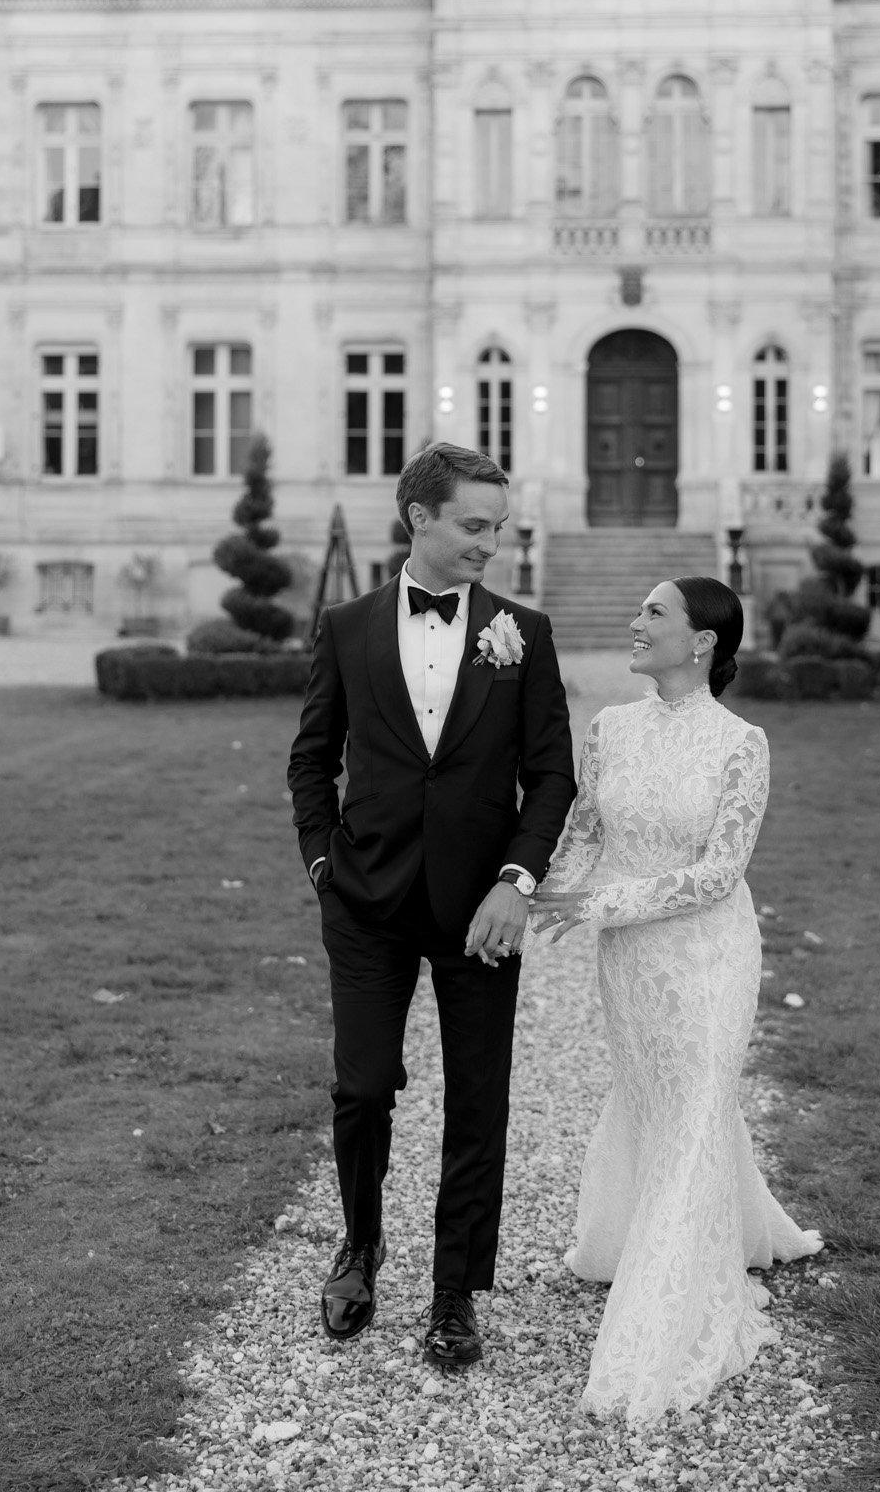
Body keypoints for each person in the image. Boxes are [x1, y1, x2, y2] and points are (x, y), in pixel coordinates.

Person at [288, 443, 576, 1369]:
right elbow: (310, 758)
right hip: (365, 901)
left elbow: (551, 776)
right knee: (363, 1085)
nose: (492, 543)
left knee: (476, 1099)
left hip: (479, 910)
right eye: (474, 526)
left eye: (499, 526)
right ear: (419, 518)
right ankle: (359, 1247)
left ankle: (455, 1291)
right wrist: (322, 863)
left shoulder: (521, 631)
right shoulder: (345, 624)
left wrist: (516, 883)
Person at [530, 576, 821, 1423]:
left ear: (702, 642)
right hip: (629, 966)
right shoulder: (610, 728)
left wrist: (605, 905)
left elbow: (719, 872)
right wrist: (532, 896)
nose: (634, 622)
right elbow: (583, 837)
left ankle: (668, 1307)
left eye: (654, 613)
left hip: (705, 954)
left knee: (696, 1103)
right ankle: (696, 1228)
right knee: (659, 1100)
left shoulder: (742, 743)